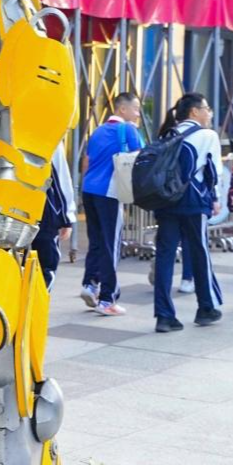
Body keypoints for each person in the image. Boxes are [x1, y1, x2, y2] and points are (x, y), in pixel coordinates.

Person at [153, 92, 223, 332]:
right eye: (207, 108)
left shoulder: (168, 133)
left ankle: (164, 315)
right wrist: (215, 199)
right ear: (195, 112)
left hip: (165, 201)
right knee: (199, 252)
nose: (210, 113)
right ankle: (206, 307)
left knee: (164, 255)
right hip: (193, 201)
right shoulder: (207, 135)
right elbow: (214, 172)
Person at [79, 92, 143, 316]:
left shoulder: (97, 131)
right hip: (110, 192)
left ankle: (89, 284)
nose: (138, 114)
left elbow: (87, 161)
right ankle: (107, 299)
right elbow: (142, 159)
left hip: (89, 190)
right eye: (135, 108)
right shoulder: (128, 130)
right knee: (111, 244)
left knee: (96, 240)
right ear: (122, 110)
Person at [33, 144, 77, 291]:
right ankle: (34, 311)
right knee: (45, 267)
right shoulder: (50, 130)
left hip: (5, 210)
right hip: (42, 211)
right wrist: (66, 217)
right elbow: (60, 176)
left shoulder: (0, 124)